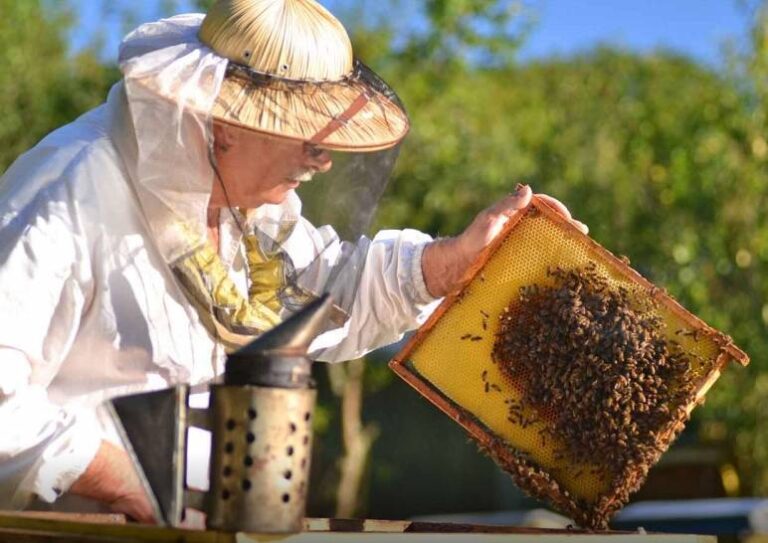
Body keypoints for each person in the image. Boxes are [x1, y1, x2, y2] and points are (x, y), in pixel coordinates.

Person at [0, 0, 587, 523]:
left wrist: (451, 263)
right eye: (301, 133)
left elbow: (322, 296)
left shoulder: (244, 206)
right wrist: (131, 483)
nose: (322, 158)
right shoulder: (66, 190)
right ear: (228, 124)